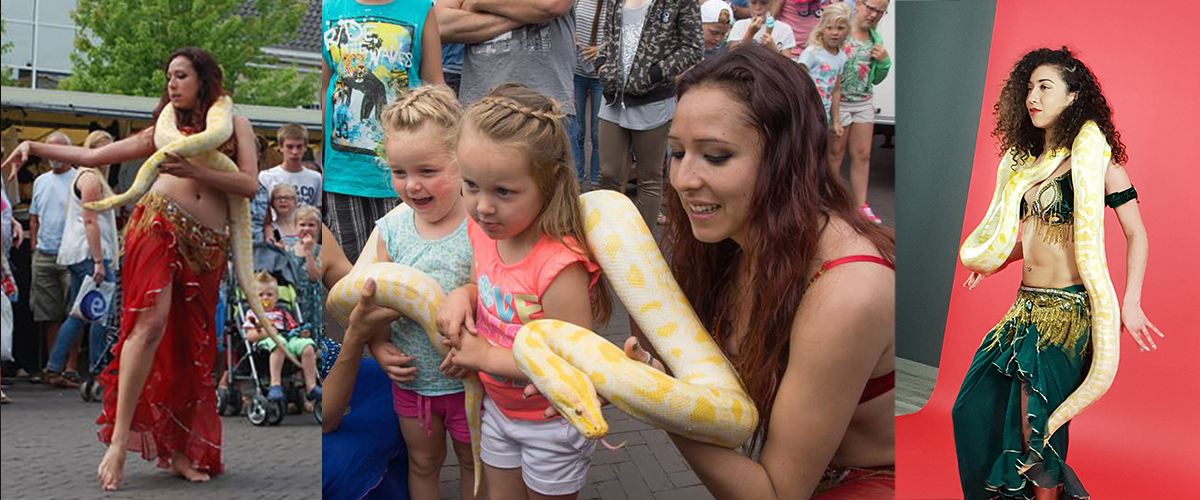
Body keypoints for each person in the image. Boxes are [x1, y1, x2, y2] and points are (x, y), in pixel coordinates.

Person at [618, 44, 896, 497]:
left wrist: (652, 398)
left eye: (716, 156)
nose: (684, 179)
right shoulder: (736, 240)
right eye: (676, 152)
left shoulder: (848, 291)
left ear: (786, 159)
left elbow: (775, 493)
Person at [1, 46, 260, 490]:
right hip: (158, 226)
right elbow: (93, 158)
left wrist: (195, 169)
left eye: (180, 75)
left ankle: (179, 451)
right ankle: (119, 442)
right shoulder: (162, 130)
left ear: (203, 79)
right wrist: (31, 144)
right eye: (168, 77)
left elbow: (250, 184)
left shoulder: (234, 124)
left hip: (209, 245)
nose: (171, 84)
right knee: (149, 326)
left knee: (194, 347)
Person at [952, 47, 1160, 500]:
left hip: (1067, 310)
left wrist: (1131, 300)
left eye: (1045, 87)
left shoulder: (1100, 162)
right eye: (1029, 88)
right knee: (971, 408)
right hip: (1024, 304)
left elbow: (1137, 235)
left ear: (1072, 97)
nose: (1033, 96)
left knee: (1037, 422)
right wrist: (993, 264)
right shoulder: (1024, 166)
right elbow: (1031, 237)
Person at [438, 83, 612, 500]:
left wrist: (485, 357)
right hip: (499, 409)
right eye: (471, 186)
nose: (483, 207)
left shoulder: (558, 266)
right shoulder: (484, 233)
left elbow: (574, 362)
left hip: (553, 420)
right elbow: (489, 288)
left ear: (549, 181)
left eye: (504, 192)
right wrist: (462, 294)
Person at [352, 85, 481, 500]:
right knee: (422, 463)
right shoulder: (390, 230)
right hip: (413, 383)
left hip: (472, 383)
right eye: (399, 172)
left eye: (427, 171)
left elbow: (494, 288)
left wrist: (468, 291)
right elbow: (375, 300)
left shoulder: (481, 224)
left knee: (472, 463)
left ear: (461, 160)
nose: (412, 186)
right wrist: (378, 345)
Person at [322, 0, 444, 265]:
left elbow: (436, 86)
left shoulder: (422, 8)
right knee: (348, 275)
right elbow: (325, 87)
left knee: (404, 267)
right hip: (343, 174)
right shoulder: (330, 7)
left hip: (403, 174)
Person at [595, 0, 702, 231]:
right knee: (609, 174)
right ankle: (606, 238)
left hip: (653, 101)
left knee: (650, 177)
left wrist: (655, 74)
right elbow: (608, 37)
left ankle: (642, 247)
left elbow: (693, 48)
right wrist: (601, 64)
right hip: (613, 98)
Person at [42, 150, 120, 390]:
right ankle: (97, 372)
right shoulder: (90, 179)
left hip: (81, 253)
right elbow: (90, 220)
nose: (110, 157)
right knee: (98, 314)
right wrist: (98, 261)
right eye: (105, 150)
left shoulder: (86, 177)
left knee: (80, 313)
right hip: (90, 253)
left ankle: (55, 366)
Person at [826, 0, 890, 224]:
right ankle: (829, 202)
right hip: (839, 102)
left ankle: (861, 204)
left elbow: (878, 77)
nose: (873, 15)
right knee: (835, 153)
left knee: (862, 155)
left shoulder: (875, 38)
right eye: (870, 8)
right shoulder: (842, 30)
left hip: (863, 102)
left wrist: (884, 63)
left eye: (880, 12)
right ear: (859, 4)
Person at [27, 132, 76, 386]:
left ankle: (70, 367)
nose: (53, 158)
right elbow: (34, 217)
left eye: (58, 152)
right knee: (49, 313)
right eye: (49, 152)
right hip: (45, 254)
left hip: (71, 254)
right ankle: (52, 368)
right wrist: (35, 245)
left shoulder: (79, 178)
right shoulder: (40, 181)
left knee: (73, 313)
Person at [243, 272, 320, 409]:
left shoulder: (283, 313)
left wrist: (302, 334)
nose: (265, 298)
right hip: (266, 345)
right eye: (260, 295)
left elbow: (293, 330)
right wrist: (266, 332)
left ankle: (311, 386)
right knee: (279, 343)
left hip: (287, 340)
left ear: (276, 297)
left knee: (307, 345)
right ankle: (275, 384)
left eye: (269, 295)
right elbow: (250, 336)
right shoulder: (253, 314)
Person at [572, 0, 611, 188]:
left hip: (600, 76)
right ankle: (577, 180)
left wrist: (601, 49)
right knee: (576, 130)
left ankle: (595, 182)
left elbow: (622, 34)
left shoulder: (616, 3)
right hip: (576, 72)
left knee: (598, 134)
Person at [797, 3, 851, 137]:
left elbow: (836, 90)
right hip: (806, 114)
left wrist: (836, 121)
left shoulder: (842, 57)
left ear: (847, 30)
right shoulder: (812, 52)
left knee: (818, 153)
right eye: (829, 28)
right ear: (821, 28)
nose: (834, 33)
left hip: (824, 115)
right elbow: (797, 82)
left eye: (840, 28)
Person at [729, 0, 796, 57]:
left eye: (764, 3)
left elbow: (787, 66)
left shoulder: (785, 29)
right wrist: (749, 34)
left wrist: (773, 49)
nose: (758, 8)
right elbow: (733, 57)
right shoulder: (739, 26)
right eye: (753, 3)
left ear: (773, 4)